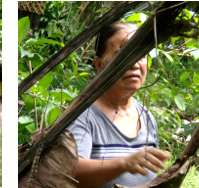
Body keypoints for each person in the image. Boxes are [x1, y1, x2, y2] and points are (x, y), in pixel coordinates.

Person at [67, 22, 172, 188]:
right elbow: (71, 172)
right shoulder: (84, 115)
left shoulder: (145, 116)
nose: (135, 64)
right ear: (99, 64)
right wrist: (124, 163)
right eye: (122, 54)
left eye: (141, 55)